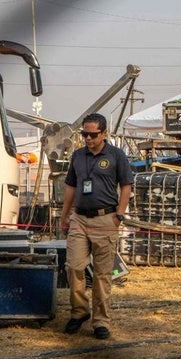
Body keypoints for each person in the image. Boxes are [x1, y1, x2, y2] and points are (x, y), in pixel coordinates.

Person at [60, 113, 133, 339]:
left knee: (102, 274)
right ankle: (79, 311)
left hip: (105, 219)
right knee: (74, 266)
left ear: (103, 133)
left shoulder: (116, 155)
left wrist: (119, 215)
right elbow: (71, 187)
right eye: (84, 134)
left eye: (92, 134)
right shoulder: (78, 156)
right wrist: (65, 216)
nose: (88, 138)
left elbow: (126, 186)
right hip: (79, 219)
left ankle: (100, 321)